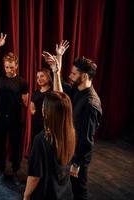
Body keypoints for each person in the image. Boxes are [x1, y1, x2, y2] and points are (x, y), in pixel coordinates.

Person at [43, 41, 102, 200]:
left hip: (78, 158)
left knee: (79, 191)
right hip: (69, 150)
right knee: (67, 190)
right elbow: (60, 90)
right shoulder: (78, 89)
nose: (70, 76)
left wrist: (77, 163)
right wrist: (57, 64)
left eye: (74, 73)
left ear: (84, 76)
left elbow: (87, 139)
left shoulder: (91, 104)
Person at [0, 33, 29, 178]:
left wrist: (20, 102)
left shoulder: (23, 82)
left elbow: (25, 102)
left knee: (15, 144)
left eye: (11, 67)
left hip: (16, 118)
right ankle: (1, 166)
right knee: (0, 143)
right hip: (0, 117)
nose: (9, 69)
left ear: (16, 65)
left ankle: (16, 167)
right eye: (6, 67)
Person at [23, 91, 76, 200]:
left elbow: (34, 177)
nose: (42, 108)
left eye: (43, 106)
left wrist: (26, 195)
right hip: (65, 192)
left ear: (48, 112)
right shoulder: (71, 133)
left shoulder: (41, 139)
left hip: (47, 194)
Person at [29, 68, 52, 149]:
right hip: (36, 123)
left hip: (49, 124)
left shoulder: (52, 92)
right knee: (36, 145)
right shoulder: (35, 93)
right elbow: (31, 108)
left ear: (48, 77)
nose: (39, 79)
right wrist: (34, 112)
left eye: (42, 76)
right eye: (37, 77)